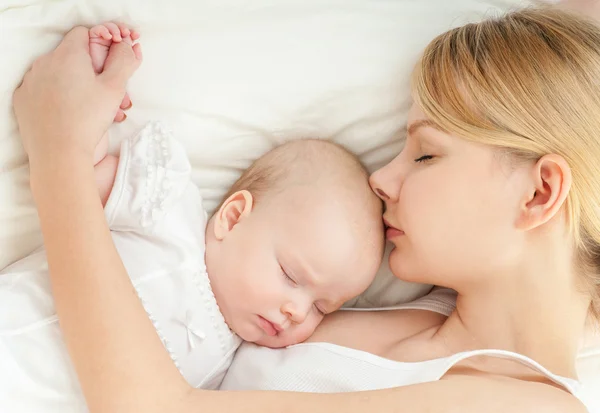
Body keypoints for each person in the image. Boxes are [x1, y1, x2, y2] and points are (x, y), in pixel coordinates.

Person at [12, 5, 599, 413]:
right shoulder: (432, 319)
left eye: (426, 156)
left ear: (540, 193)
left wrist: (58, 155)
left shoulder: (527, 402)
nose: (382, 178)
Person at [3, 22, 383, 400]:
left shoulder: (225, 371)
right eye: (290, 275)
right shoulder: (168, 209)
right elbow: (81, 169)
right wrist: (102, 84)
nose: (297, 312)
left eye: (321, 307)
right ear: (233, 217)